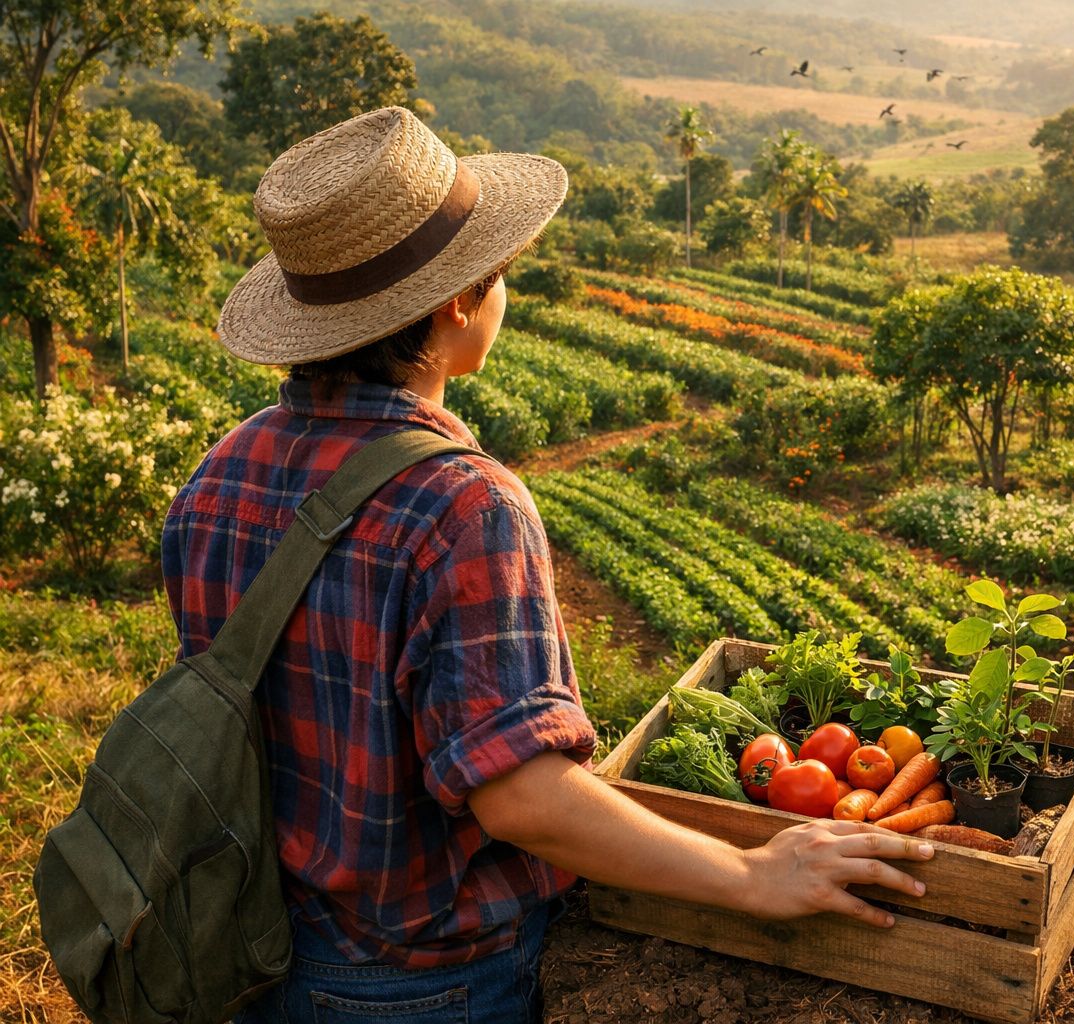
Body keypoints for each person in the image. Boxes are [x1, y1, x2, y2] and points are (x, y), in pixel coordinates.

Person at [162, 106, 932, 1024]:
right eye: (500, 275)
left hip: (259, 951)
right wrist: (753, 873)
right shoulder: (462, 504)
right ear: (457, 301)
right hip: (422, 985)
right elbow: (523, 798)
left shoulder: (220, 471)